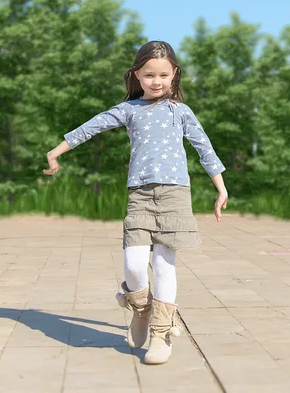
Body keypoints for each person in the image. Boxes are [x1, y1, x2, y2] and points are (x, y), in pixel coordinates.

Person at [43, 40, 228, 365]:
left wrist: (221, 188)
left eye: (163, 75)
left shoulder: (180, 111)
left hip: (175, 194)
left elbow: (204, 148)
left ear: (174, 75)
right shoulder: (129, 110)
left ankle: (161, 331)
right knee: (133, 263)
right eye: (149, 75)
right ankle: (141, 308)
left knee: (163, 264)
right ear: (137, 75)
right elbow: (92, 127)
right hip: (140, 195)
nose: (156, 81)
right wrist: (56, 151)